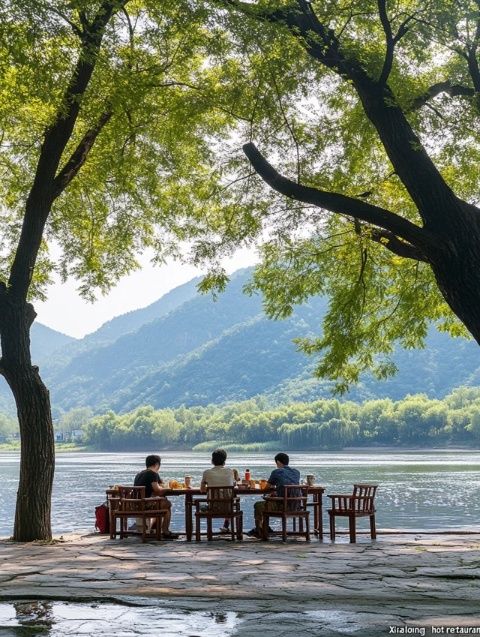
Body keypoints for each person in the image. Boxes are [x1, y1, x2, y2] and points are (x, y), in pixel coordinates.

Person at [248, 452, 300, 537]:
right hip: (296, 505)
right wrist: (277, 492)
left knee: (258, 505)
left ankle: (260, 530)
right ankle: (265, 528)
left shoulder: (277, 472)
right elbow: (288, 486)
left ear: (278, 462)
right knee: (267, 503)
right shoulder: (296, 472)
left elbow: (266, 488)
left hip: (283, 506)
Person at [134, 454, 179, 539]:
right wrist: (169, 489)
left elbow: (158, 485)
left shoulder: (139, 474)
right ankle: (165, 531)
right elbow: (158, 490)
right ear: (157, 464)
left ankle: (155, 530)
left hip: (136, 504)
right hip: (145, 504)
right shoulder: (152, 474)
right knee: (167, 504)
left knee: (164, 503)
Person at [200, 449, 235, 533]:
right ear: (224, 461)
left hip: (212, 507)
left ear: (212, 461)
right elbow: (233, 484)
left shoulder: (207, 472)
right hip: (228, 507)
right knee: (230, 501)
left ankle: (208, 531)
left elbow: (202, 490)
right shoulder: (230, 471)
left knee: (200, 506)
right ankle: (226, 527)